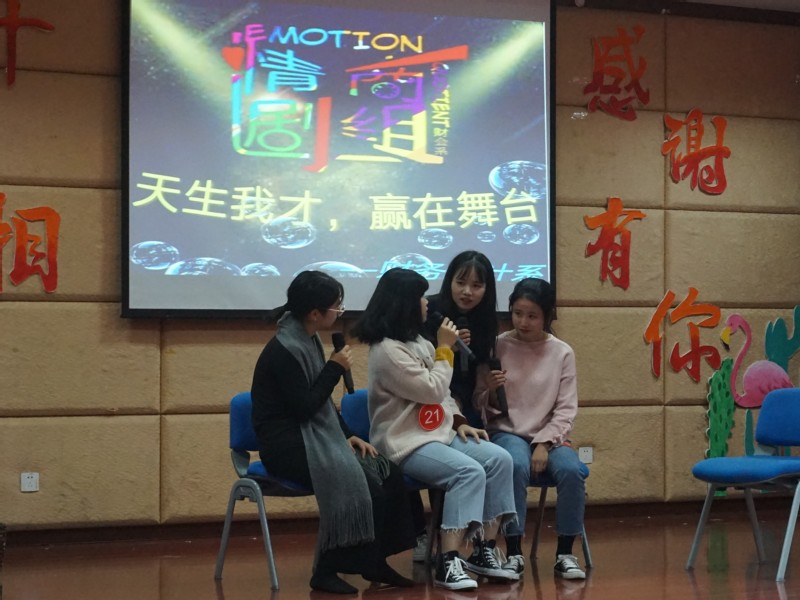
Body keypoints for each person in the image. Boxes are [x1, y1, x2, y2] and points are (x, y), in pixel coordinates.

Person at [352, 267, 518, 591]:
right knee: (468, 472)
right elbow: (430, 389)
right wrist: (445, 350)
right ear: (404, 304)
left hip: (438, 433)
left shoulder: (417, 341)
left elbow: (444, 395)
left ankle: (483, 549)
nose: (427, 302)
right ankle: (449, 560)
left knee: (500, 459)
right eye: (421, 297)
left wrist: (459, 421)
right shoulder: (386, 350)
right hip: (404, 442)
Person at [250, 271, 416, 594]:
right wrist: (335, 368)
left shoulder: (308, 338)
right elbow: (304, 407)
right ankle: (326, 570)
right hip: (286, 445)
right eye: (336, 306)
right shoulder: (284, 349)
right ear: (315, 313)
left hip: (316, 436)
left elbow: (323, 405)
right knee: (362, 484)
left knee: (388, 472)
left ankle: (376, 560)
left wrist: (347, 434)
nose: (340, 312)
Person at [473, 278, 587, 580]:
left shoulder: (562, 352)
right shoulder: (497, 345)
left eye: (532, 316)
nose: (523, 322)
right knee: (514, 464)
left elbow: (566, 409)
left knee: (572, 471)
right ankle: (514, 552)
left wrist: (544, 443)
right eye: (518, 313)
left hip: (550, 436)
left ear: (547, 316)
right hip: (507, 431)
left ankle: (565, 553)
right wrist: (488, 389)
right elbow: (479, 404)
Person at [425, 250, 499, 429]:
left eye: (476, 286)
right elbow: (417, 361)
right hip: (430, 396)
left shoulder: (487, 320)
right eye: (460, 283)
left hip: (467, 402)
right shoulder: (429, 310)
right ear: (449, 281)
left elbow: (479, 370)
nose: (467, 292)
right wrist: (447, 348)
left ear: (487, 289)